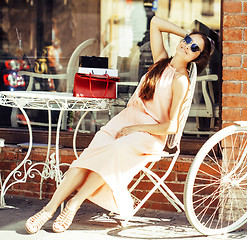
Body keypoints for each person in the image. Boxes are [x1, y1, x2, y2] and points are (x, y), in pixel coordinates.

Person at [25, 16, 211, 234]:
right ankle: (48, 209)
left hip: (149, 135)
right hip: (126, 119)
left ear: (198, 57)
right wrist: (184, 34)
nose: (187, 46)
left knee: (113, 150)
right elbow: (156, 23)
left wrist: (136, 129)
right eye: (187, 40)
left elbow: (170, 126)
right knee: (89, 155)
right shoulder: (160, 61)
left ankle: (74, 203)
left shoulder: (181, 80)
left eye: (194, 47)